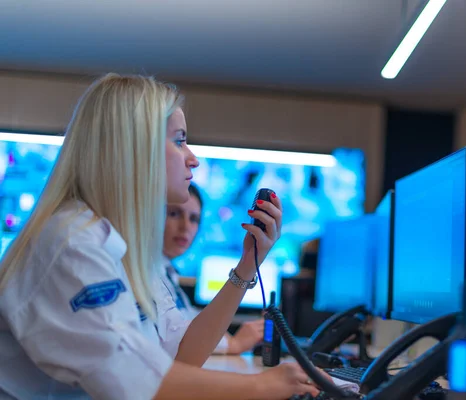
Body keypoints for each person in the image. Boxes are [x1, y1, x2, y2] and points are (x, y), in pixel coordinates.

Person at [0, 74, 326, 399]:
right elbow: (133, 384)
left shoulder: (124, 248)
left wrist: (246, 265)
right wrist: (263, 385)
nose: (192, 158)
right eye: (179, 140)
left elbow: (183, 353)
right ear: (135, 147)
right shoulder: (73, 242)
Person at [162, 183, 264, 355]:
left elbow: (191, 320)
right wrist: (234, 345)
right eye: (174, 214)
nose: (185, 226)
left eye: (194, 219)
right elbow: (176, 338)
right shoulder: (146, 273)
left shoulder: (167, 273)